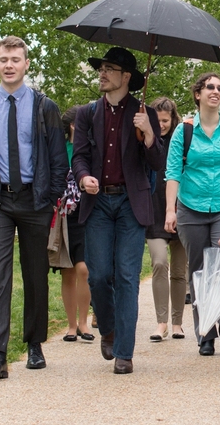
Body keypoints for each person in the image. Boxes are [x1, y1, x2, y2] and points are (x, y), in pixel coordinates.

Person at [0, 35, 68, 379]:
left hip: (35, 201)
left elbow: (56, 159)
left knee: (36, 274)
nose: (9, 65)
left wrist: (49, 197)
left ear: (26, 64)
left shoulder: (44, 107)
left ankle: (35, 345)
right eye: (4, 59)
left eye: (16, 59)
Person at [71, 47, 165, 375]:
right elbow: (79, 156)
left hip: (130, 203)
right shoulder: (87, 114)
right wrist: (84, 178)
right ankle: (108, 328)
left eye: (109, 69)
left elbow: (158, 164)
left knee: (127, 276)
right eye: (101, 68)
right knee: (98, 275)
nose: (102, 73)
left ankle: (124, 351)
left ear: (126, 77)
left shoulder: (144, 114)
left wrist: (150, 134)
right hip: (97, 203)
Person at [165, 74, 220, 356]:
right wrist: (170, 210)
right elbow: (172, 173)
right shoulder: (183, 132)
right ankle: (205, 331)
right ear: (197, 94)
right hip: (190, 209)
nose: (216, 91)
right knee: (199, 273)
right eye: (210, 87)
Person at [147, 97, 187, 342]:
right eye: (157, 120)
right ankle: (161, 321)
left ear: (173, 119)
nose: (161, 124)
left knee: (180, 271)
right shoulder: (146, 142)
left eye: (165, 120)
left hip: (182, 209)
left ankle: (177, 323)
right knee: (160, 263)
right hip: (153, 210)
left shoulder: (182, 141)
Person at [59, 106, 94, 343]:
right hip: (63, 215)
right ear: (74, 125)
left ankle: (84, 321)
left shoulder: (90, 149)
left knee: (84, 269)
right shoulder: (60, 149)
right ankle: (71, 326)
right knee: (67, 271)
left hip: (88, 212)